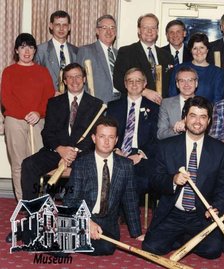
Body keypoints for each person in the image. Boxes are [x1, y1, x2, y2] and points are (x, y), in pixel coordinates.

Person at [142, 96, 224, 259]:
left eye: (203, 117)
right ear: (184, 118)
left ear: (209, 120)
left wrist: (217, 206)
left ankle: (183, 237)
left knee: (213, 251)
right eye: (193, 115)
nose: (198, 121)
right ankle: (183, 237)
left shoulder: (220, 150)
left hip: (201, 214)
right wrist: (173, 180)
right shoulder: (166, 146)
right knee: (151, 247)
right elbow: (154, 179)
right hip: (173, 212)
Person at [20, 63, 103, 201]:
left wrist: (73, 152)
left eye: (78, 76)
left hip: (82, 154)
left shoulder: (96, 105)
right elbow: (47, 133)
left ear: (84, 79)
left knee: (84, 170)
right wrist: (60, 149)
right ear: (64, 81)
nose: (74, 81)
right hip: (56, 151)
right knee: (28, 164)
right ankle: (33, 210)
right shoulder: (54, 103)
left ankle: (74, 210)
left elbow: (95, 136)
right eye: (69, 77)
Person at [63, 116, 142, 255]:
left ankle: (72, 240)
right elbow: (70, 200)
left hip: (107, 222)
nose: (106, 141)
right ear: (94, 138)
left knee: (106, 248)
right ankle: (32, 232)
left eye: (111, 137)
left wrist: (137, 233)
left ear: (116, 140)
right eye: (102, 136)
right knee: (61, 249)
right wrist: (86, 222)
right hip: (83, 217)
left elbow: (130, 200)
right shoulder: (81, 164)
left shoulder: (125, 166)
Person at [1, 33, 54, 201]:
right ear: (16, 50)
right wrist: (24, 114)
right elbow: (6, 98)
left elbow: (49, 96)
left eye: (30, 47)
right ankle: (24, 201)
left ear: (35, 51)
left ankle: (37, 199)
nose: (27, 51)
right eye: (23, 47)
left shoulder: (43, 72)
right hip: (15, 121)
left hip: (38, 121)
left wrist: (38, 112)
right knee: (18, 163)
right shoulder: (9, 72)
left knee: (38, 163)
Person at [107, 68, 159, 195]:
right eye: (130, 81)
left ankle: (131, 213)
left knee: (140, 183)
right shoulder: (113, 106)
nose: (134, 84)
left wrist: (140, 155)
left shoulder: (155, 108)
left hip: (141, 154)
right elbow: (108, 132)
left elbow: (156, 138)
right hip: (118, 152)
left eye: (138, 81)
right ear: (125, 84)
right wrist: (115, 150)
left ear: (144, 84)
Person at [113, 13, 174, 103]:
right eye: (145, 27)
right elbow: (118, 82)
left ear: (157, 30)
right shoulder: (126, 52)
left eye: (153, 28)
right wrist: (143, 91)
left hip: (162, 108)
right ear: (139, 30)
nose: (149, 31)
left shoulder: (167, 56)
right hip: (137, 105)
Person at [169, 33, 224, 104]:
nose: (198, 51)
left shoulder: (217, 72)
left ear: (207, 50)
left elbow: (217, 100)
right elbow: (172, 96)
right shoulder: (179, 69)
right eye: (195, 48)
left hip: (207, 113)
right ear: (191, 51)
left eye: (202, 47)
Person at [76, 15, 119, 103]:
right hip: (96, 104)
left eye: (112, 28)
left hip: (118, 104)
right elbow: (78, 81)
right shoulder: (86, 51)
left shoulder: (119, 54)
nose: (109, 31)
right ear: (97, 31)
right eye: (104, 28)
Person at [35, 10, 78, 90]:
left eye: (65, 25)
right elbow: (35, 82)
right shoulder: (40, 51)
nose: (61, 28)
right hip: (49, 100)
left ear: (69, 27)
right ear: (51, 26)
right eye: (58, 25)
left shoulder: (76, 51)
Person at [157, 66, 198, 140]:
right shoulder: (166, 104)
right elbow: (160, 134)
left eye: (190, 80)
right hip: (173, 149)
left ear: (196, 83)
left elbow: (209, 133)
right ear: (177, 84)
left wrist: (187, 125)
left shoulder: (205, 104)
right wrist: (176, 130)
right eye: (182, 81)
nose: (186, 84)